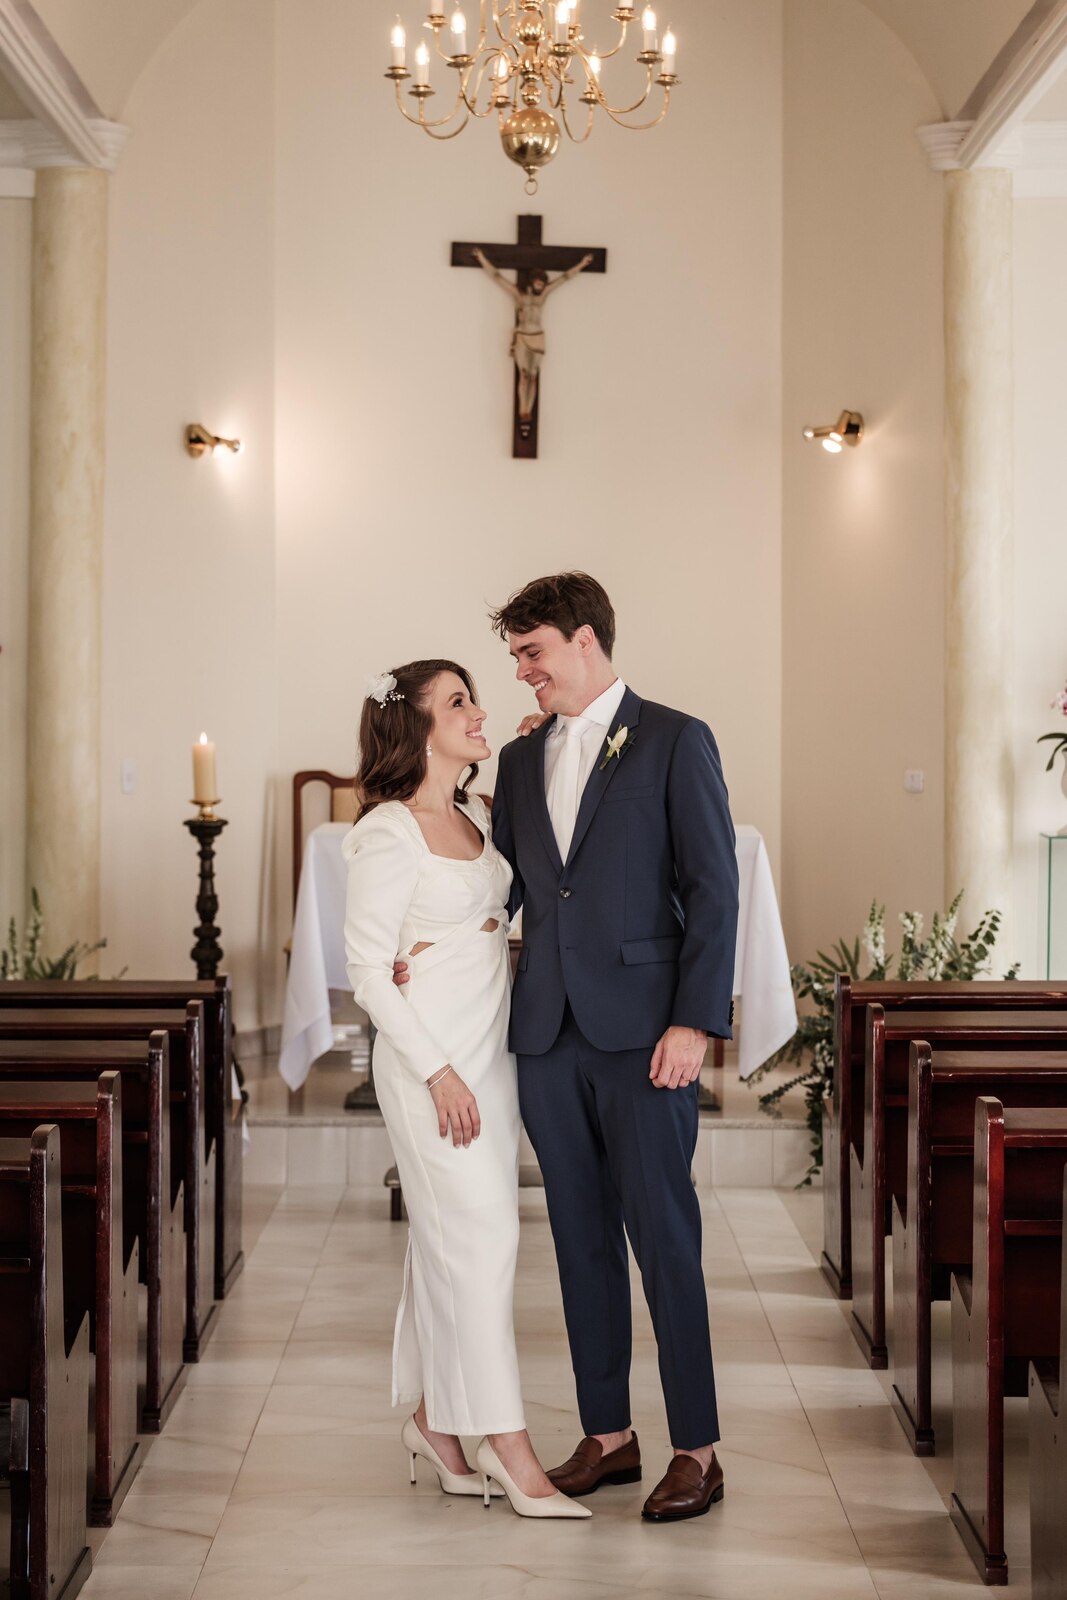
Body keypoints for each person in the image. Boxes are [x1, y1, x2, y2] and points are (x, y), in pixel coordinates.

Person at [489, 572, 739, 1522]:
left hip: (645, 1037)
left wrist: (693, 1020)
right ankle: (608, 1437)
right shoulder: (520, 762)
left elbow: (713, 891)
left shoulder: (676, 740)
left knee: (664, 1241)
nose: (522, 674)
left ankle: (696, 1449)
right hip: (548, 1033)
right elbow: (507, 890)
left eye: (533, 653)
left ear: (584, 640)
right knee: (577, 1242)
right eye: (515, 656)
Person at [342, 659, 589, 1520]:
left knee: (445, 1245)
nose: (478, 709)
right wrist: (436, 1068)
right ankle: (505, 1445)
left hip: (492, 1050)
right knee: (478, 1244)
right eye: (457, 702)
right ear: (415, 728)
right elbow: (369, 971)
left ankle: (432, 1424)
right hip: (432, 1064)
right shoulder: (385, 833)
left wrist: (538, 746)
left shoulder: (478, 813)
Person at [471, 246, 594, 433]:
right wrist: (481, 258)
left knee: (534, 376)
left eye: (543, 284)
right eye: (539, 283)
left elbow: (564, 278)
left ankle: (529, 410)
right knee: (524, 375)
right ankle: (523, 410)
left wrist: (582, 264)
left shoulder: (543, 296)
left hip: (537, 337)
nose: (541, 286)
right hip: (522, 337)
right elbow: (496, 277)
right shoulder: (518, 294)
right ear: (533, 281)